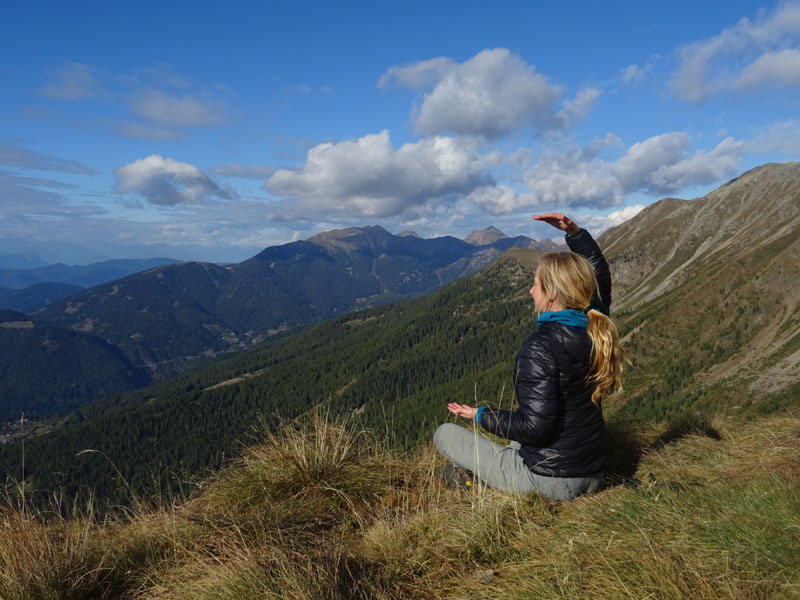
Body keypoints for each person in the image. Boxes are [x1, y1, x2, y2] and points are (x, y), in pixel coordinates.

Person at [433, 213, 624, 501]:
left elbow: (535, 429)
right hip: (592, 472)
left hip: (552, 482)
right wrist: (576, 234)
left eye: (536, 284)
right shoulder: (594, 325)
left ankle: (486, 488)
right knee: (514, 438)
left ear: (552, 294)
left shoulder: (539, 347)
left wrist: (479, 414)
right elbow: (601, 280)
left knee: (445, 434)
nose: (530, 290)